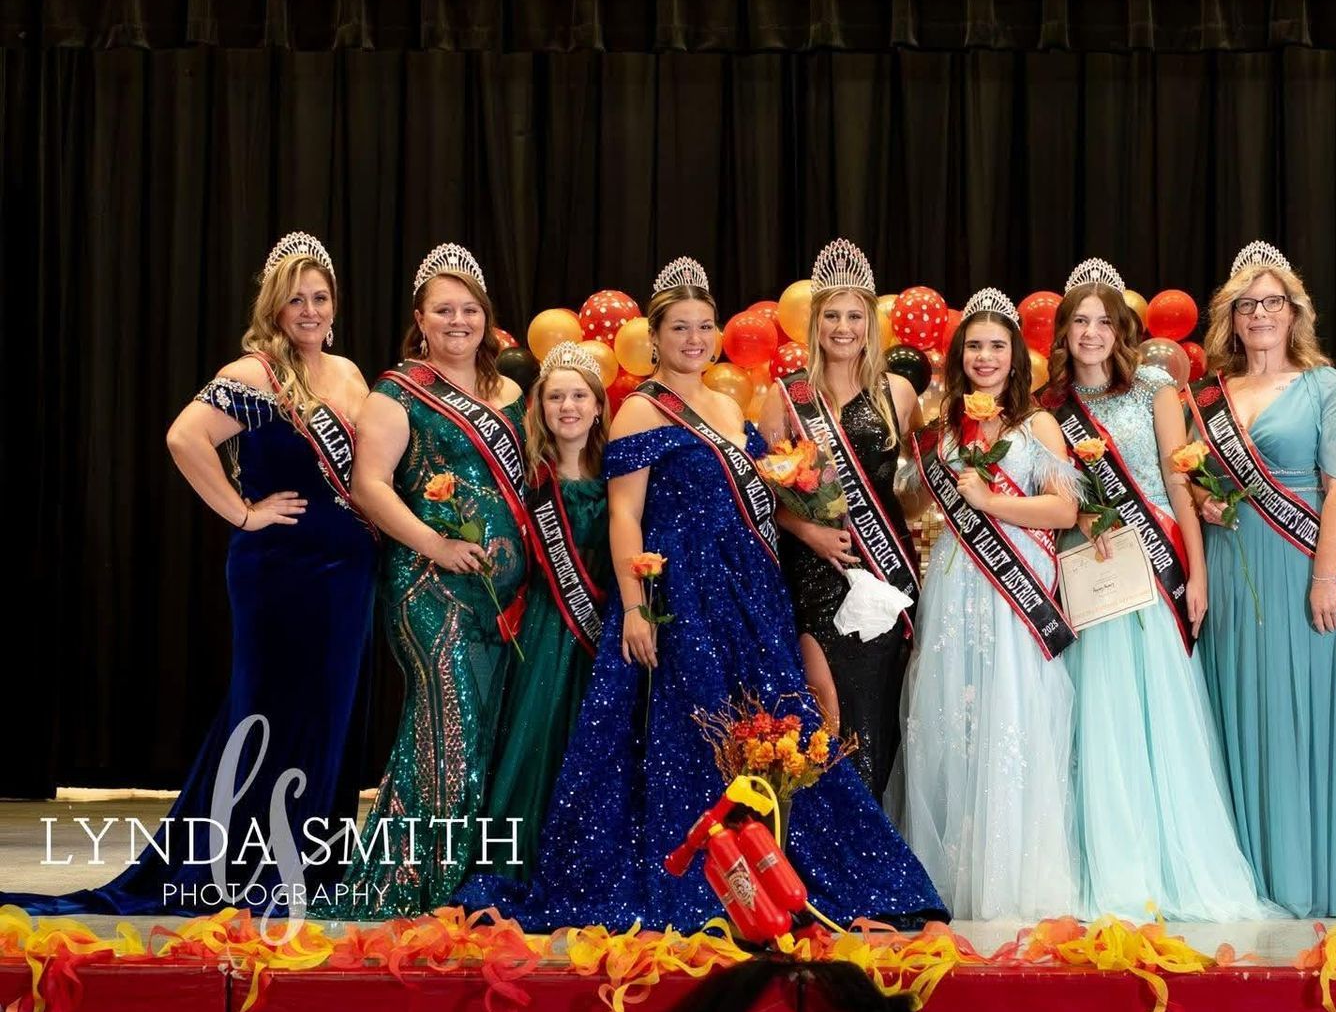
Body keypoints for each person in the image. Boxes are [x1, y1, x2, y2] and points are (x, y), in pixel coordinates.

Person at [467, 257, 945, 931]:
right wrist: (636, 607)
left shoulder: (727, 404)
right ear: (655, 338)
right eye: (679, 328)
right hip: (682, 593)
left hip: (749, 588)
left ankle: (778, 871)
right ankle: (715, 873)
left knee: (774, 730)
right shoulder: (640, 410)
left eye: (703, 327)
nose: (694, 339)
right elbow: (625, 516)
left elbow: (762, 496)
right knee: (694, 735)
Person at [2, 235, 375, 918]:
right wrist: (242, 512)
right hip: (282, 572)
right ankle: (246, 866)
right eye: (296, 299)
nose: (310, 310)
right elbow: (184, 437)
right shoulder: (256, 374)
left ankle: (310, 865)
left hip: (348, 575)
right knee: (267, 714)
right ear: (274, 307)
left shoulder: (349, 374)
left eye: (320, 297)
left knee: (328, 716)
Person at [1045, 259, 1271, 922]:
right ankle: (1110, 867)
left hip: (1155, 568)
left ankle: (1165, 868)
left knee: (1157, 718)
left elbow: (1177, 484)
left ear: (1123, 331)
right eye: (1080, 322)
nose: (1092, 333)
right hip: (1090, 570)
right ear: (1064, 333)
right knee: (1099, 717)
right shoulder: (1049, 406)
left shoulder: (1156, 390)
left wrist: (1197, 572)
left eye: (1104, 322)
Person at [325, 245, 528, 917]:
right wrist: (435, 544)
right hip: (430, 591)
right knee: (447, 732)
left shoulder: (510, 394)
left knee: (487, 736)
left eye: (470, 309)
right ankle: (417, 885)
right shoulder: (396, 394)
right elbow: (369, 486)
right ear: (420, 319)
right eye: (444, 310)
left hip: (505, 598)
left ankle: (470, 882)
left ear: (487, 317)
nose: (458, 321)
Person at [1187, 241, 1336, 918]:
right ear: (1230, 318)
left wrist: (1325, 578)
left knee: (1298, 716)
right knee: (1237, 713)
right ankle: (1248, 880)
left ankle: (1309, 879)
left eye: (1273, 303)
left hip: (1302, 570)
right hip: (1230, 572)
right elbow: (1192, 477)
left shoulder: (1324, 385)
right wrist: (1203, 500)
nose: (1260, 314)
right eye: (1247, 305)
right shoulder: (1209, 394)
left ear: (1295, 314)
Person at [893, 288, 1084, 921]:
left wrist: (990, 502)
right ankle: (949, 878)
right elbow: (913, 503)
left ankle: (1011, 878)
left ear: (1015, 356)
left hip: (1015, 586)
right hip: (954, 585)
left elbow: (1063, 511)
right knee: (952, 715)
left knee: (1012, 712)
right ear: (958, 356)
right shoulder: (940, 429)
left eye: (997, 346)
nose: (984, 356)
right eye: (973, 345)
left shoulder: (1038, 425)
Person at [761, 239, 922, 794]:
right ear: (816, 322)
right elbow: (763, 496)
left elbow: (917, 482)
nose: (844, 327)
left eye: (855, 316)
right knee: (828, 708)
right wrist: (809, 531)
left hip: (884, 564)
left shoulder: (898, 393)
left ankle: (878, 823)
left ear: (870, 324)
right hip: (814, 570)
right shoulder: (785, 397)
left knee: (880, 701)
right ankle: (837, 827)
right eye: (832, 315)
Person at [480, 342, 611, 880]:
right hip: (542, 625)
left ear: (598, 405)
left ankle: (589, 864)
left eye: (579, 396)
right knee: (537, 737)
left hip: (605, 627)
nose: (567, 407)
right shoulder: (527, 475)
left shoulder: (619, 469)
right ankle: (526, 863)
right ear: (539, 406)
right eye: (555, 397)